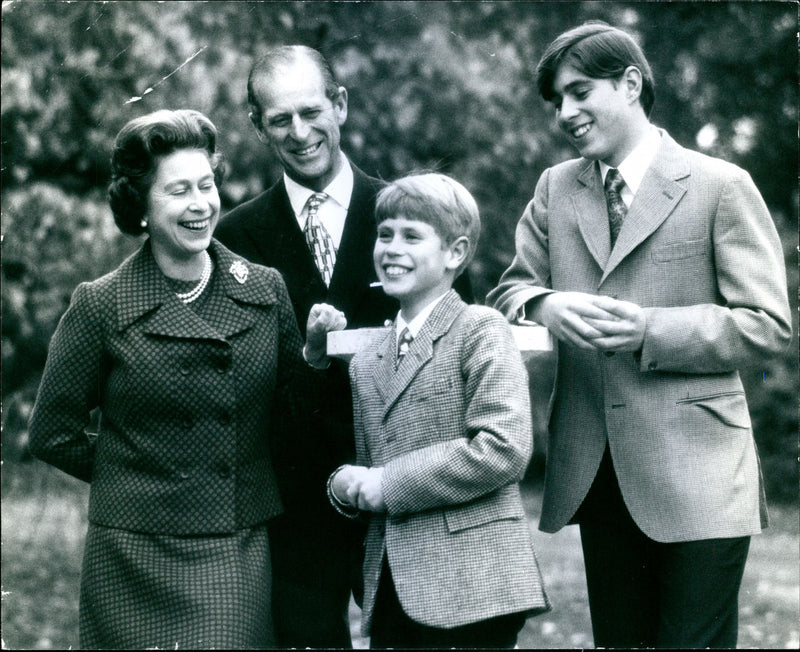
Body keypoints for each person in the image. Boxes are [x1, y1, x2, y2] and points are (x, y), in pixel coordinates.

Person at [488, 22, 792, 649]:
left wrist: (650, 329)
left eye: (579, 92)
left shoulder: (720, 185)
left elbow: (766, 325)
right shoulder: (556, 187)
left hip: (702, 472)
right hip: (598, 472)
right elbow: (509, 289)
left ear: (630, 83)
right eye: (557, 102)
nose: (566, 113)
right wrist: (545, 304)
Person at [28, 109, 317, 649]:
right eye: (178, 190)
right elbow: (51, 433)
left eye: (207, 185)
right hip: (130, 551)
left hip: (235, 543)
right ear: (141, 207)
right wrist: (140, 474)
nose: (201, 204)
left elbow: (293, 415)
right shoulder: (101, 304)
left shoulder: (265, 289)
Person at [214, 45, 472, 647]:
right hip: (293, 506)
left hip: (404, 495)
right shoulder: (234, 238)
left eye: (311, 111)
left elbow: (462, 345)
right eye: (280, 119)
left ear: (341, 106)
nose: (300, 133)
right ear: (258, 127)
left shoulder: (414, 214)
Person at [306, 173, 550, 649]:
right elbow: (372, 465)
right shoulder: (371, 357)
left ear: (455, 253)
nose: (392, 248)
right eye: (385, 234)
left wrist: (387, 483)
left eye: (412, 236)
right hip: (394, 585)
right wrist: (346, 486)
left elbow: (503, 449)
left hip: (476, 586)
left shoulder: (480, 328)